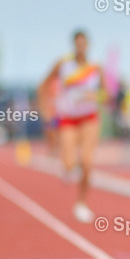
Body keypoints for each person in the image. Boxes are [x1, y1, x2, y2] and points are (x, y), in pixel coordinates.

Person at [42, 30, 104, 224]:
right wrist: (46, 110)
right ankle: (67, 167)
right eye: (77, 43)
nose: (80, 47)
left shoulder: (95, 66)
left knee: (86, 163)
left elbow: (108, 94)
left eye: (83, 43)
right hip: (68, 118)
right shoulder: (63, 64)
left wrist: (96, 97)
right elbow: (44, 85)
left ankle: (81, 203)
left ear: (88, 45)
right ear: (73, 45)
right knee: (69, 164)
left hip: (89, 118)